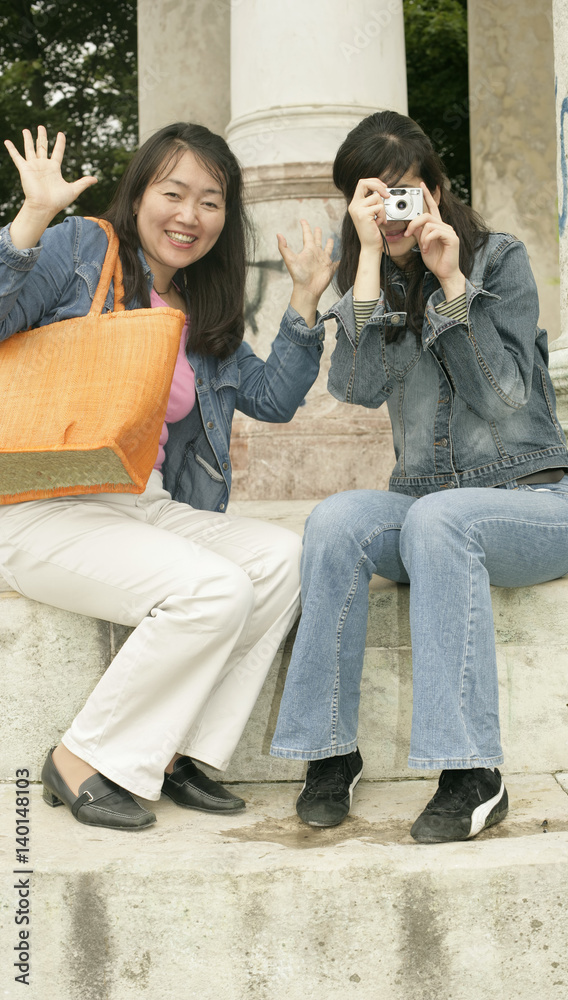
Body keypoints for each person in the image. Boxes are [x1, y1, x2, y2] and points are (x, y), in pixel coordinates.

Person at [0, 122, 336, 830]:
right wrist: (32, 218)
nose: (189, 216)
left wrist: (304, 299)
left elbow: (272, 398)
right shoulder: (82, 248)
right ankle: (83, 759)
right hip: (37, 502)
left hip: (140, 502)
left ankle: (179, 754)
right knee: (211, 589)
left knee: (282, 558)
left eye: (210, 201)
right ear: (139, 193)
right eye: (173, 192)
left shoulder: (198, 307)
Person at [270, 111, 568, 843]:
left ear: (438, 192)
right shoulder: (376, 279)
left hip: (533, 504)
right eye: (370, 196)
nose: (392, 211)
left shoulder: (498, 260)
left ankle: (472, 772)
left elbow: (506, 398)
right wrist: (361, 268)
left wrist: (449, 282)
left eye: (405, 191)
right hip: (425, 512)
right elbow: (353, 386)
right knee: (335, 520)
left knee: (439, 518)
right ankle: (328, 752)